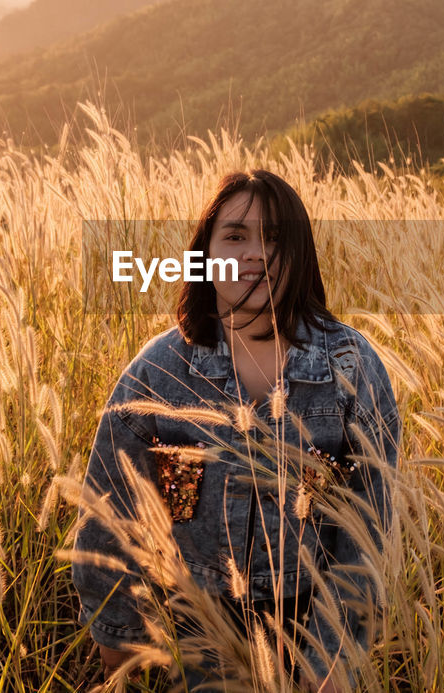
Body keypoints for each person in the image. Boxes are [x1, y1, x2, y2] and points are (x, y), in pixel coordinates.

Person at [72, 169, 401, 692]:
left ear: (299, 254)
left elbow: (369, 526)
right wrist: (118, 638)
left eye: (273, 238)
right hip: (195, 629)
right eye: (235, 236)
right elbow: (107, 512)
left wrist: (332, 658)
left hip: (312, 621)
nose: (254, 254)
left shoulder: (350, 366)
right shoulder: (160, 371)